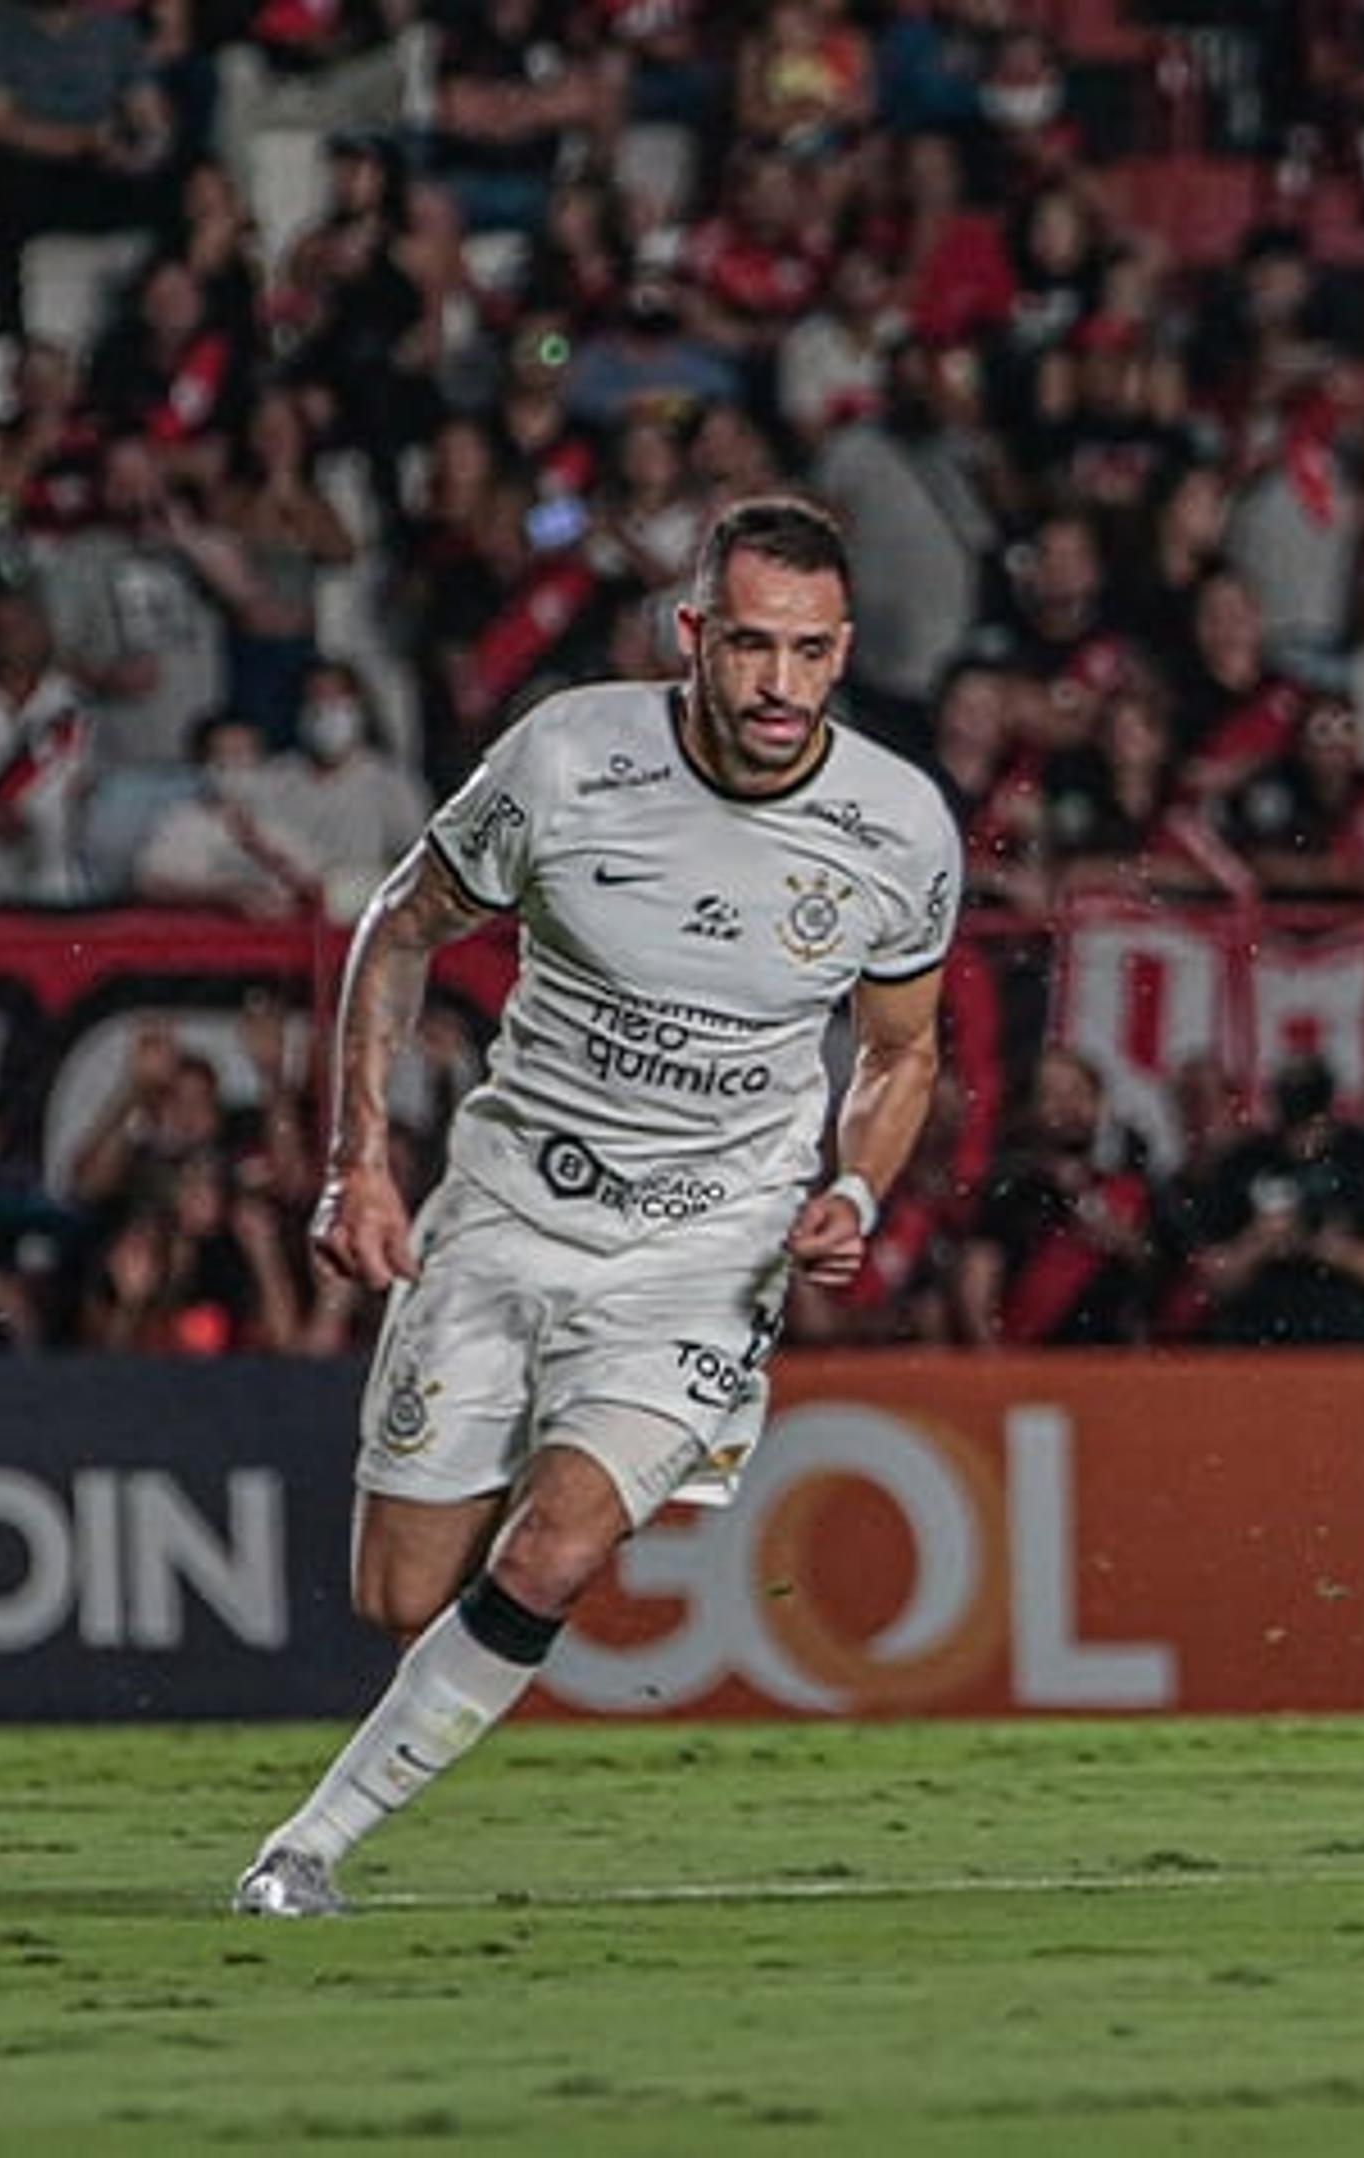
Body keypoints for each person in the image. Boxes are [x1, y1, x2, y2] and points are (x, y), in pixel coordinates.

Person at [233, 496, 961, 1916]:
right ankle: (523, 1480)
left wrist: (857, 1183)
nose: (778, 685)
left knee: (558, 1547)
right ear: (693, 635)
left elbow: (903, 1048)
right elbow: (401, 923)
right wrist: (358, 1156)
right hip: (511, 1205)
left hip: (710, 1248)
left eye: (810, 653)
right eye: (749, 646)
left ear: (845, 651)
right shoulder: (570, 757)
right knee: (401, 1593)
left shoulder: (897, 827)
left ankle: (306, 1848)